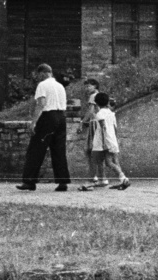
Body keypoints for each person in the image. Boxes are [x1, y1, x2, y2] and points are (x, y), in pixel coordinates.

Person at [17, 63, 69, 192]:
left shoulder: (42, 85)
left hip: (47, 117)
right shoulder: (60, 86)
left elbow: (41, 104)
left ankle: (29, 181)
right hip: (61, 117)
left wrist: (33, 122)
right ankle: (62, 182)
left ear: (43, 73)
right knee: (59, 149)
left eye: (39, 74)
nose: (39, 77)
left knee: (36, 148)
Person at [90, 91, 129, 190]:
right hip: (112, 139)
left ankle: (122, 178)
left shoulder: (99, 114)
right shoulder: (112, 113)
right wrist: (115, 140)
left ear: (97, 103)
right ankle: (121, 179)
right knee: (114, 161)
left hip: (104, 141)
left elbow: (103, 129)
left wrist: (104, 144)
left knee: (104, 162)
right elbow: (115, 128)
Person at [78, 79, 105, 190]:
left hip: (94, 124)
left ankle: (93, 177)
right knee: (98, 152)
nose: (87, 88)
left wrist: (82, 122)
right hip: (99, 124)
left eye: (89, 86)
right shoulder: (100, 95)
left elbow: (91, 111)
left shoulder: (93, 96)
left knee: (90, 151)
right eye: (86, 86)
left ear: (95, 86)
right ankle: (101, 177)